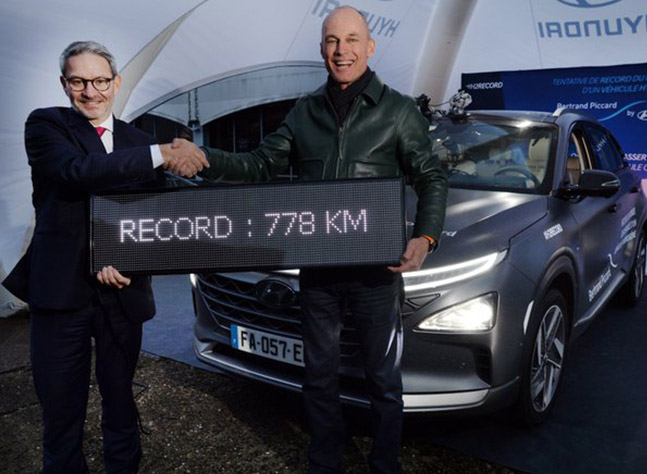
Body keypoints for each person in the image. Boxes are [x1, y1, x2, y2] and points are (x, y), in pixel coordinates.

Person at [170, 6, 448, 473]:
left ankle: (385, 464)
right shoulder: (304, 112)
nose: (342, 51)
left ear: (370, 46)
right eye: (333, 41)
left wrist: (425, 237)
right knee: (318, 378)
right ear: (322, 49)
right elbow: (259, 164)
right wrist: (207, 157)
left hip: (377, 275)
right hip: (319, 271)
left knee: (382, 379)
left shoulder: (399, 111)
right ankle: (324, 462)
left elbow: (431, 178)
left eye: (352, 40)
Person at [2, 41, 207, 473]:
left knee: (120, 404)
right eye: (78, 81)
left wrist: (128, 261)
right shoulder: (46, 127)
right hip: (61, 294)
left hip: (122, 296)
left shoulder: (136, 138)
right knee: (61, 413)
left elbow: (156, 219)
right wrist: (162, 154)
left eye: (99, 81)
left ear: (115, 84)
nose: (90, 91)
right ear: (64, 84)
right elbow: (75, 173)